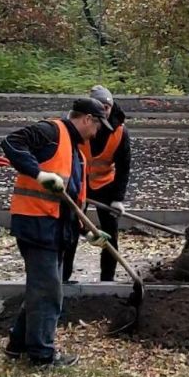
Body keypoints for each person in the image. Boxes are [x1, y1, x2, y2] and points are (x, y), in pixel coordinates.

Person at [0, 98, 111, 368]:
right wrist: (38, 174)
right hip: (37, 225)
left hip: (57, 229)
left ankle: (18, 345)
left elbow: (74, 200)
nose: (96, 134)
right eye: (97, 126)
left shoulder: (77, 154)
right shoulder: (51, 132)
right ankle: (41, 355)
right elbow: (11, 143)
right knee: (48, 291)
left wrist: (88, 232)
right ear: (87, 119)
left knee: (42, 288)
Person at [69, 84, 131, 282]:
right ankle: (63, 276)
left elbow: (124, 166)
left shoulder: (120, 131)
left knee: (110, 234)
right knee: (70, 229)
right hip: (80, 184)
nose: (104, 111)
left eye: (107, 107)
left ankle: (107, 280)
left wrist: (118, 199)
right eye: (100, 107)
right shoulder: (80, 126)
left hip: (106, 184)